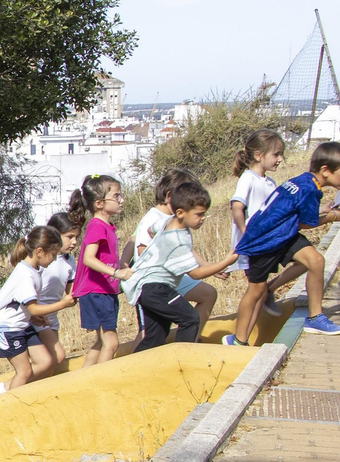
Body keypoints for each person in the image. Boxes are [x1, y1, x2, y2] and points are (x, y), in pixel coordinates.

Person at [231, 142, 340, 341]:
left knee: (315, 261)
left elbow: (298, 218)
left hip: (283, 236)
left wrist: (329, 213)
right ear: (326, 170)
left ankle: (315, 317)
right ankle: (238, 340)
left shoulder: (304, 181)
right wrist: (334, 215)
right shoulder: (311, 189)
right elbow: (307, 223)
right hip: (264, 242)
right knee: (256, 291)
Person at [123, 180, 241, 351]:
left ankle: (134, 372)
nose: (203, 219)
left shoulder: (168, 222)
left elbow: (150, 230)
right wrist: (226, 262)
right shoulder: (178, 240)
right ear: (180, 212)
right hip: (156, 288)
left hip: (145, 287)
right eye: (199, 214)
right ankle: (182, 360)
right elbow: (196, 273)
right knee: (190, 319)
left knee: (155, 337)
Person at [0, 227, 78, 390]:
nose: (53, 260)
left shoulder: (33, 271)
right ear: (40, 251)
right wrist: (62, 304)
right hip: (8, 329)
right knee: (24, 372)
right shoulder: (25, 275)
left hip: (22, 326)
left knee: (46, 362)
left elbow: (22, 304)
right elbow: (34, 308)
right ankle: (7, 398)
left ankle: (6, 390)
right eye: (52, 255)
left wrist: (32, 317)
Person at [223, 129, 299, 343]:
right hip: (255, 246)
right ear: (258, 155)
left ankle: (242, 339)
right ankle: (239, 339)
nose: (280, 159)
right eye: (276, 154)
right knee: (256, 291)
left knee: (260, 292)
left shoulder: (270, 183)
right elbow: (237, 207)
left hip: (268, 243)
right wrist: (247, 235)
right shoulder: (248, 178)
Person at [134, 168, 219, 334]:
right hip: (153, 281)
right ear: (169, 196)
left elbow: (184, 249)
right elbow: (142, 249)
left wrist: (210, 266)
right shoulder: (154, 218)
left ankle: (193, 340)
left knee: (208, 294)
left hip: (171, 277)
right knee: (150, 331)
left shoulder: (173, 219)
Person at [69, 174, 134, 366]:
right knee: (111, 344)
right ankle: (99, 382)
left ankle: (84, 380)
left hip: (104, 291)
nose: (121, 200)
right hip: (97, 292)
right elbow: (89, 258)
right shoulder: (97, 226)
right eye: (116, 196)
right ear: (99, 203)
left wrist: (119, 265)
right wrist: (116, 273)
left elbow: (103, 257)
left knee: (101, 343)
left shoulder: (106, 226)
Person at [30, 212, 81, 374]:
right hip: (37, 317)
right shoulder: (41, 258)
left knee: (51, 363)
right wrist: (32, 313)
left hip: (52, 318)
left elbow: (71, 291)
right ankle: (13, 386)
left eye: (77, 237)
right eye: (70, 237)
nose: (74, 242)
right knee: (56, 357)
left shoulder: (69, 260)